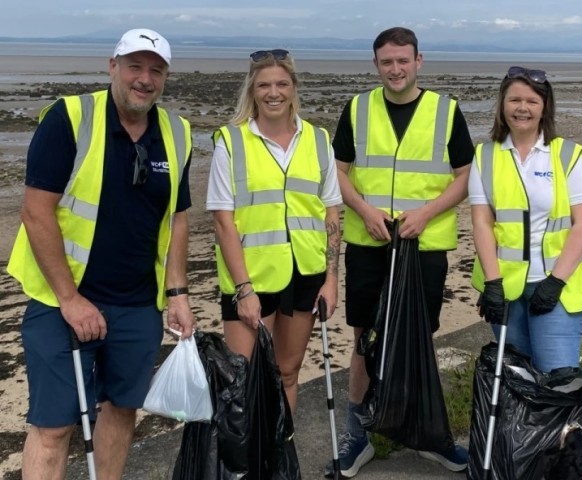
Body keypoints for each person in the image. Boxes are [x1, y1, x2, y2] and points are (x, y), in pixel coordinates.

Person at [6, 28, 194, 478]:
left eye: (156, 70)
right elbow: (36, 213)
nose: (144, 79)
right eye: (135, 66)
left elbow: (178, 218)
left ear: (165, 77)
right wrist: (71, 300)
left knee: (123, 409)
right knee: (53, 425)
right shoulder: (70, 118)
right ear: (113, 66)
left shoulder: (177, 132)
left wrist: (179, 293)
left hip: (137, 304)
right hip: (61, 301)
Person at [325, 27, 474, 478]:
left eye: (403, 60)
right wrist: (364, 209)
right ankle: (359, 433)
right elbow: (337, 172)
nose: (395, 69)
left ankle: (428, 434)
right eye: (386, 62)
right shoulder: (358, 107)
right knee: (363, 338)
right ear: (376, 65)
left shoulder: (446, 111)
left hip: (423, 244)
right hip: (369, 242)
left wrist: (427, 213)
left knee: (417, 336)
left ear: (418, 61)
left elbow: (467, 175)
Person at [206, 49, 342, 413]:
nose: (273, 92)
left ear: (294, 88)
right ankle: (245, 465)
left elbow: (331, 213)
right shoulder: (230, 143)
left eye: (282, 83)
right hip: (250, 279)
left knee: (287, 372)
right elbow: (223, 222)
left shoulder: (318, 140)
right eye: (264, 85)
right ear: (252, 90)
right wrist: (244, 289)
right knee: (243, 378)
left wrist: (331, 279)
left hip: (305, 275)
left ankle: (280, 460)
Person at [470, 66, 582, 373]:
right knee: (517, 380)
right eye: (514, 100)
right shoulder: (485, 156)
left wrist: (556, 281)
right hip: (507, 289)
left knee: (558, 380)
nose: (522, 108)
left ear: (544, 108)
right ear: (502, 105)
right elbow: (482, 223)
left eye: (531, 101)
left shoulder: (566, 155)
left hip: (557, 286)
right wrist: (492, 283)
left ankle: (566, 425)